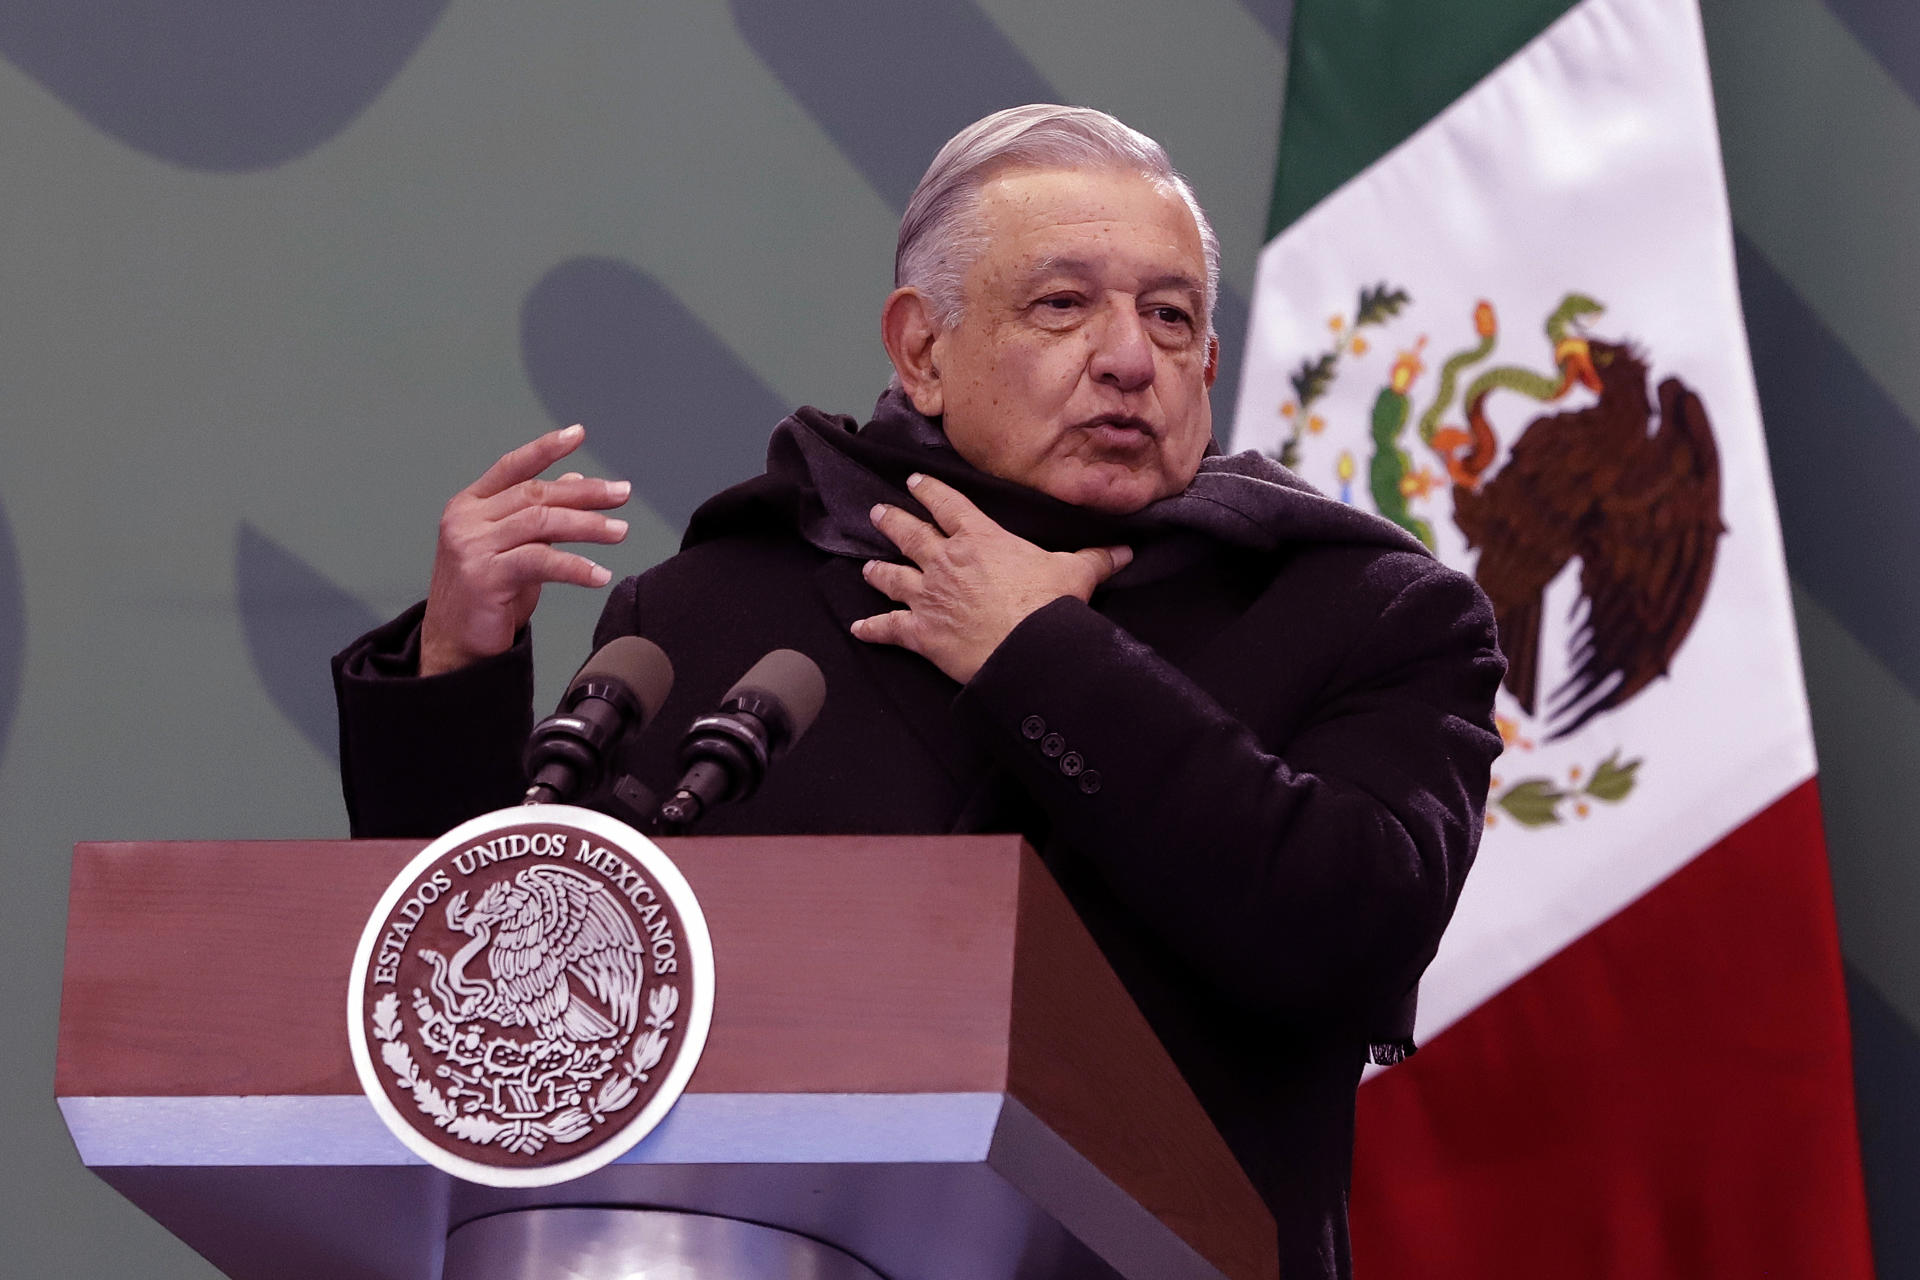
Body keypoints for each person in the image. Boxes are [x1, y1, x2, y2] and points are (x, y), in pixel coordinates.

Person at [333, 104, 1505, 1279]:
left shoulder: (1366, 610)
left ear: (1208, 360)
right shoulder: (715, 607)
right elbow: (484, 1035)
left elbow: (1347, 935)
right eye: (1062, 304)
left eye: (1170, 313)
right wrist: (455, 673)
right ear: (922, 350)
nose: (1129, 356)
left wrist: (1040, 651)